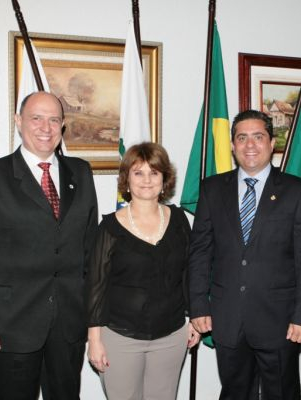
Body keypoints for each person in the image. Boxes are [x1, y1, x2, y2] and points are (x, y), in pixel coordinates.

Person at [0, 91, 98, 400]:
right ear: (18, 121)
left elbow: (90, 251)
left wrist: (95, 319)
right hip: (12, 323)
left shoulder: (81, 172)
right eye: (36, 118)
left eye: (54, 120)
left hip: (69, 323)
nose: (45, 128)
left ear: (63, 126)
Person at [188, 110, 301, 400]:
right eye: (242, 138)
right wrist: (198, 305)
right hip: (227, 317)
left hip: (280, 321)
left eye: (258, 137)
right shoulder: (212, 189)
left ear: (272, 143)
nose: (250, 145)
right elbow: (200, 252)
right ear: (232, 145)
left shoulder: (299, 191)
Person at [86, 142, 200, 399]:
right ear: (127, 180)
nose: (147, 180)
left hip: (172, 336)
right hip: (121, 337)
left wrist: (194, 315)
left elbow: (189, 272)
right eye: (138, 173)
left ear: (164, 179)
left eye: (154, 173)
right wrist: (94, 339)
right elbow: (96, 286)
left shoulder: (179, 219)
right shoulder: (109, 228)